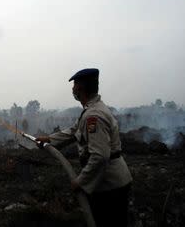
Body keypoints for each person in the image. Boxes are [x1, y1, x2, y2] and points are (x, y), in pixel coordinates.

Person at [37, 68, 132, 227]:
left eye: (74, 85)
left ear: (81, 88)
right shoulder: (91, 110)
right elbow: (74, 131)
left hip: (110, 187)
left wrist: (80, 181)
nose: (72, 88)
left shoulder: (93, 116)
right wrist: (49, 139)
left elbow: (100, 157)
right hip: (111, 184)